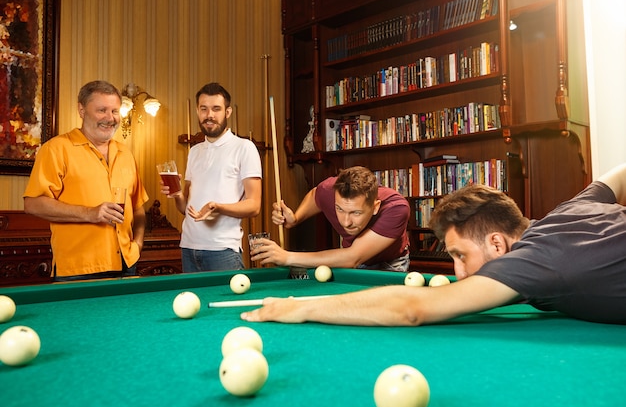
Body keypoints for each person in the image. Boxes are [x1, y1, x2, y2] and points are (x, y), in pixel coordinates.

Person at [241, 163, 626, 326]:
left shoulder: (535, 259)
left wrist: (302, 307)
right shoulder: (571, 209)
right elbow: (618, 175)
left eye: (460, 256)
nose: (457, 273)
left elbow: (413, 309)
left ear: (497, 243)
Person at [23, 80, 149, 281]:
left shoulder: (126, 154)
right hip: (77, 270)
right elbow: (33, 203)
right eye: (102, 110)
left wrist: (138, 246)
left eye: (115, 111)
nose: (110, 118)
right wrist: (91, 213)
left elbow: (138, 208)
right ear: (81, 110)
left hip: (127, 265)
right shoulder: (56, 149)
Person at [161, 83, 262, 272]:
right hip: (188, 247)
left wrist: (219, 207)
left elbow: (254, 205)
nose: (209, 115)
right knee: (192, 302)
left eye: (216, 109)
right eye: (204, 109)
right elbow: (185, 208)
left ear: (228, 112)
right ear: (198, 111)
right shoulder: (195, 151)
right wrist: (176, 194)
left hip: (222, 250)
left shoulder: (244, 147)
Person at [250, 165, 411, 271]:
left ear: (375, 207)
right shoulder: (329, 190)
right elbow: (315, 194)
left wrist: (287, 257)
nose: (346, 222)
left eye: (356, 213)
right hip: (351, 258)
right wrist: (296, 219)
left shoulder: (396, 208)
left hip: (390, 263)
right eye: (339, 209)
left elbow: (353, 257)